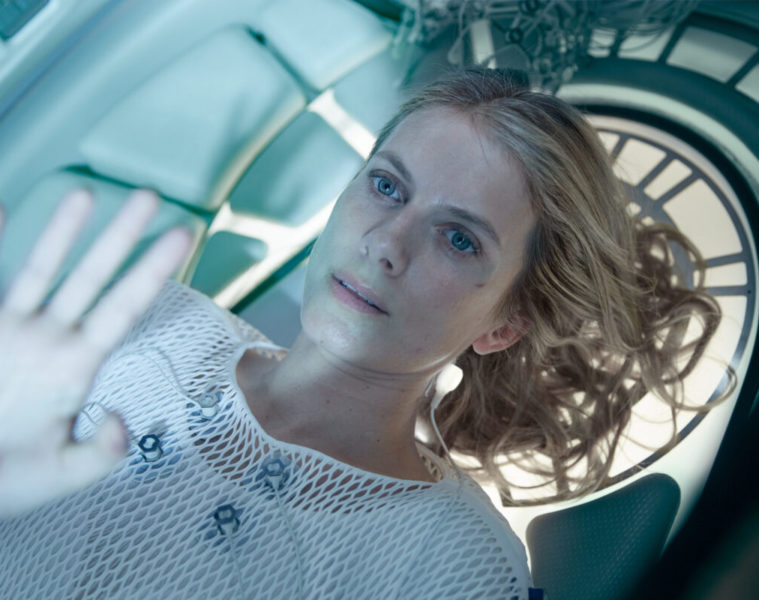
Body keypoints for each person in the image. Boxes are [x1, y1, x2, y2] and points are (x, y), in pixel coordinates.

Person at [0, 68, 724, 599]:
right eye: (386, 186)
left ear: (506, 324)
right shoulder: (140, 322)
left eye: (459, 239)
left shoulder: (454, 568)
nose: (386, 243)